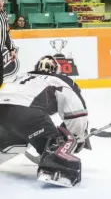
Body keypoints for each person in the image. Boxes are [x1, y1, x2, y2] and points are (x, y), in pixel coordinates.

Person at [0, 55, 90, 187]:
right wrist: (78, 137)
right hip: (27, 115)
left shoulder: (20, 77)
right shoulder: (60, 80)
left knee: (18, 132)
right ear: (57, 70)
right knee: (56, 142)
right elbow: (76, 113)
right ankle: (55, 166)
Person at [0, 0, 17, 87]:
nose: (0, 3)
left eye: (2, 0)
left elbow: (6, 33)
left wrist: (11, 49)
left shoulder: (4, 14)